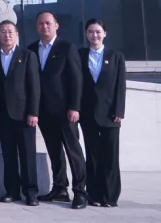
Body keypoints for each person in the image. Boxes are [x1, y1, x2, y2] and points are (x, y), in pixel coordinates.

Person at [29, 11, 88, 209]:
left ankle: (80, 191)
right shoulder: (32, 49)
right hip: (44, 111)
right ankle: (60, 188)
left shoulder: (67, 48)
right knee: (54, 151)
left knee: (73, 151)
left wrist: (75, 107)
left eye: (48, 23)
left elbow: (76, 80)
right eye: (40, 23)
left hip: (65, 111)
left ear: (56, 25)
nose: (44, 26)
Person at [0, 20, 41, 206]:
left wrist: (33, 112)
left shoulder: (27, 55)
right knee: (8, 154)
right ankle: (12, 190)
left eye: (10, 32)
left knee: (27, 154)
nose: (7, 35)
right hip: (3, 114)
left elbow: (34, 86)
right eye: (3, 32)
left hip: (24, 114)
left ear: (17, 35)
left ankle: (31, 192)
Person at [79, 19, 126, 208]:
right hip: (88, 112)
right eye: (91, 32)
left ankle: (110, 196)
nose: (94, 35)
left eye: (98, 31)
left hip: (110, 114)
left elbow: (120, 85)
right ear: (86, 34)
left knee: (110, 156)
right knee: (92, 155)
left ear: (104, 33)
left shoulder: (116, 56)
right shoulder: (80, 55)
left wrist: (119, 110)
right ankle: (94, 195)